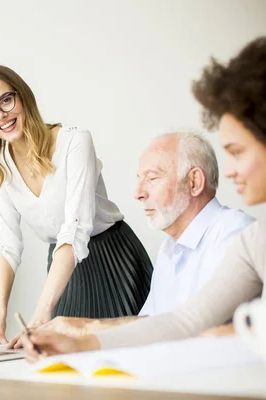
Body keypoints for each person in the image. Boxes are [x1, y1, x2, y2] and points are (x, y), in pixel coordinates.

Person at [22, 36, 266, 361]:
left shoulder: (233, 232)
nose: (230, 170)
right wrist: (81, 336)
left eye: (237, 152)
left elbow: (200, 333)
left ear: (194, 181)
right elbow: (181, 322)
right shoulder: (249, 241)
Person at [0, 65, 153, 350]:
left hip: (112, 258)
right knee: (68, 366)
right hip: (64, 269)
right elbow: (6, 243)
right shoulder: (1, 164)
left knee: (127, 357)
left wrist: (42, 312)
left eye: (5, 100)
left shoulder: (75, 142)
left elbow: (74, 230)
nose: (0, 115)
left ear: (23, 96)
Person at [38, 132, 254, 337]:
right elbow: (150, 323)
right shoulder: (170, 248)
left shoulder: (235, 234)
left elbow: (195, 328)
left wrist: (85, 329)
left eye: (152, 178)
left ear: (194, 182)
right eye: (139, 179)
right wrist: (74, 335)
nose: (138, 193)